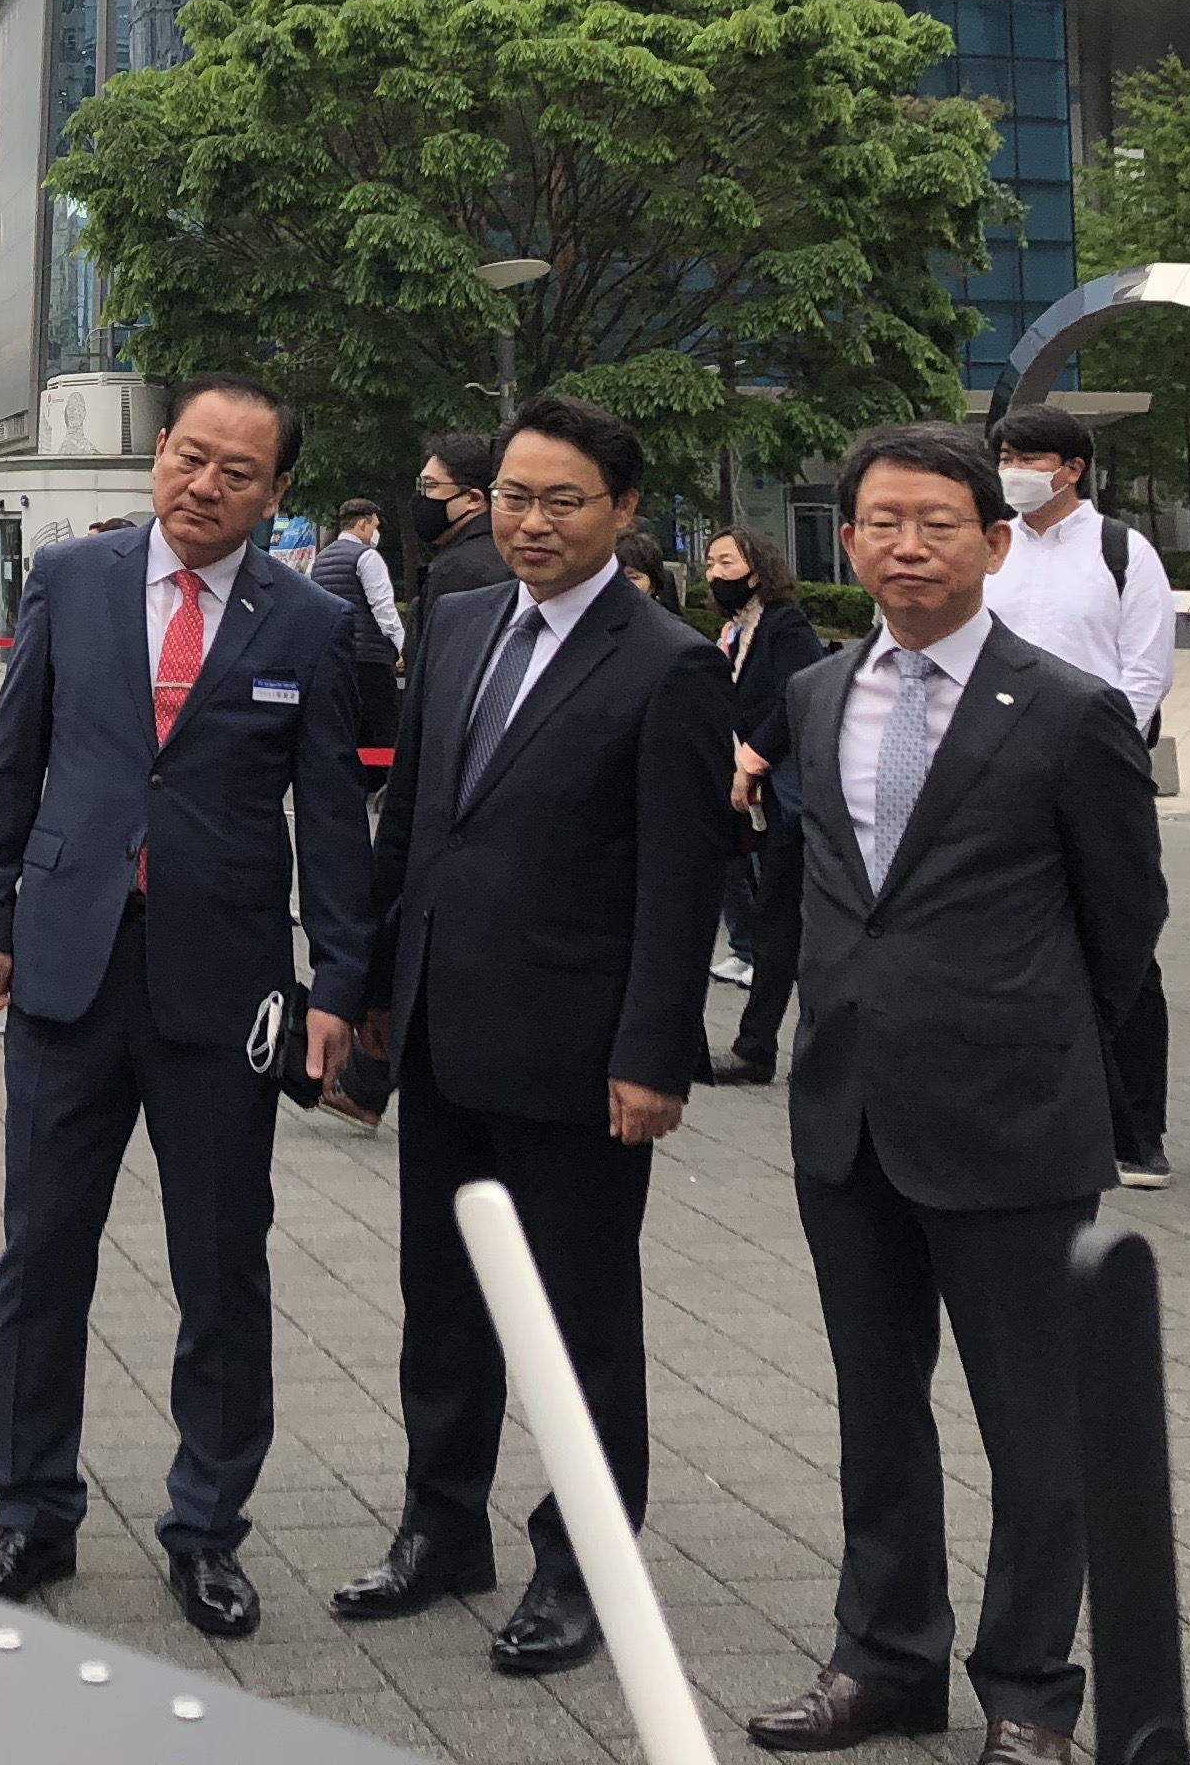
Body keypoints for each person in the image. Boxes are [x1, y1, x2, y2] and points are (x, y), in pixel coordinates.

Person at [740, 426, 1166, 1765]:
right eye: (882, 522)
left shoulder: (1068, 709)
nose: (908, 547)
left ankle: (1031, 1690)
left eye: (937, 523)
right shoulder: (817, 693)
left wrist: (1031, 1041)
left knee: (1035, 1426)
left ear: (992, 542)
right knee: (877, 1409)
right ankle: (883, 1659)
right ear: (849, 540)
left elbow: (1125, 920)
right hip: (848, 1112)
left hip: (1013, 1121)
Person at [0, 374, 374, 1642]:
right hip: (68, 967)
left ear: (276, 491)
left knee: (223, 1265)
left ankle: (207, 1529)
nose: (205, 485)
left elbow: (333, 819)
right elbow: (14, 758)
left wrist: (339, 983)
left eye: (238, 472)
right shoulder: (70, 581)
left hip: (225, 985)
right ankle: (32, 1511)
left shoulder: (309, 623)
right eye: (189, 456)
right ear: (159, 456)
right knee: (41, 1255)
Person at [333, 394, 730, 1682]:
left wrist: (654, 1053)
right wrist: (376, 982)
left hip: (577, 1055)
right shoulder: (457, 624)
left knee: (575, 1322)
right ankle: (441, 1527)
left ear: (623, 510)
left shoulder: (667, 662)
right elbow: (415, 817)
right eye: (513, 496)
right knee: (441, 1303)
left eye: (563, 501)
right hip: (442, 1029)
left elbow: (681, 881)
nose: (532, 522)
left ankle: (583, 1564)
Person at [978, 405, 1176, 1187]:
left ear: (1071, 469)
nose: (1013, 469)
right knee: (1008, 939)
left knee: (1122, 942)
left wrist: (1104, 751)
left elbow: (1145, 669)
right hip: (993, 767)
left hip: (1098, 769)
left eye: (1029, 457)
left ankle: (1137, 1130)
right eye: (1004, 455)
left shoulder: (1121, 550)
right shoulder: (991, 546)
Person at [700, 527, 832, 1089]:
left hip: (788, 797)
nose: (714, 573)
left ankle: (759, 1048)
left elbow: (796, 697)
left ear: (757, 570)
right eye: (709, 563)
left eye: (726, 562)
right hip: (756, 797)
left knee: (780, 922)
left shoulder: (784, 626)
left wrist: (753, 759)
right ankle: (755, 1045)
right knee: (770, 919)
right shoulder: (737, 631)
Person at [309, 496, 408, 752]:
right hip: (370, 658)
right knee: (383, 730)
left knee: (346, 730)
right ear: (363, 524)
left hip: (334, 657)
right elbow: (383, 607)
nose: (376, 533)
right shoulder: (367, 557)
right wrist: (402, 645)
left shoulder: (320, 560)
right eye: (375, 526)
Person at [409, 430, 508, 618]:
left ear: (473, 498)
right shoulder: (506, 551)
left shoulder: (458, 570)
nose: (421, 496)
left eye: (430, 486)